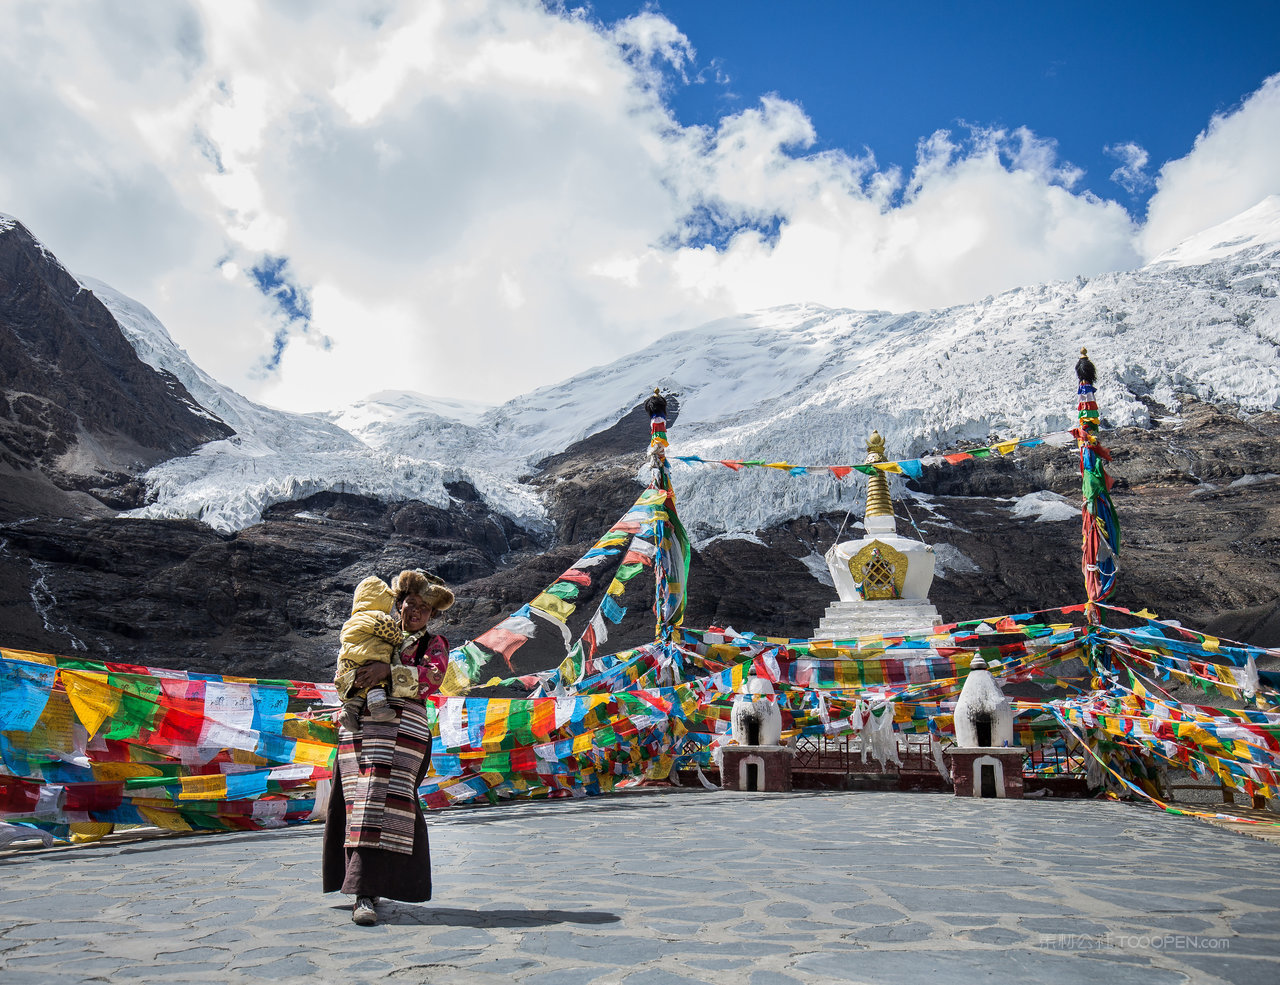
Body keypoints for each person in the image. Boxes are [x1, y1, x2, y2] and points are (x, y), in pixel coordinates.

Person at [322, 568, 455, 926]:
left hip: (403, 733)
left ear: (432, 614)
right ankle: (358, 884)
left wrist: (386, 671)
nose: (415, 613)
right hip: (359, 730)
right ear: (399, 604)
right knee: (355, 800)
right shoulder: (374, 631)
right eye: (410, 604)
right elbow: (345, 670)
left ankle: (366, 890)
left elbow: (430, 679)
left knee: (383, 803)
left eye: (423, 609)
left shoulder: (434, 645)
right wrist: (360, 678)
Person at [334, 576, 406, 732]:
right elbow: (392, 634)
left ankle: (349, 711)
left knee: (357, 692)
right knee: (375, 684)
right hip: (368, 659)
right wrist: (399, 639)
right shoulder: (378, 617)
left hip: (348, 665)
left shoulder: (351, 620)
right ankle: (378, 708)